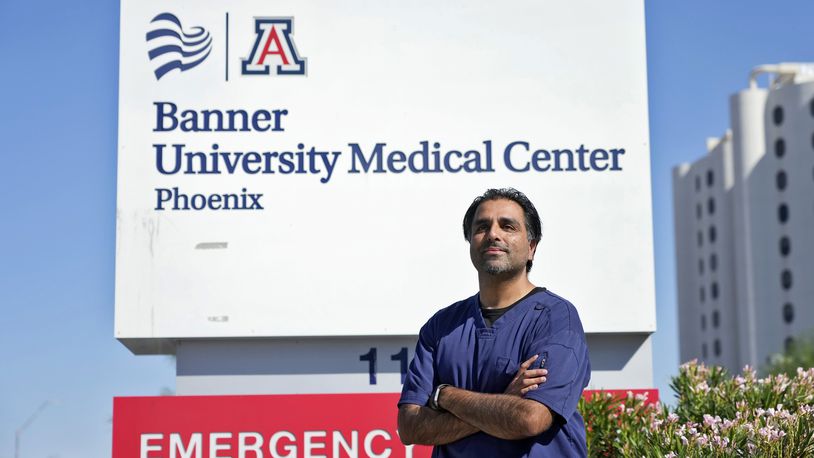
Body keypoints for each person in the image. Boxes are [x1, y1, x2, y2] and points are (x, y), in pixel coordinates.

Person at [397, 188, 591, 457]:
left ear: (531, 248)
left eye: (508, 226)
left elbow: (530, 419)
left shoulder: (556, 318)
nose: (493, 234)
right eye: (482, 227)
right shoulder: (441, 327)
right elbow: (410, 427)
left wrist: (445, 396)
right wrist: (505, 400)